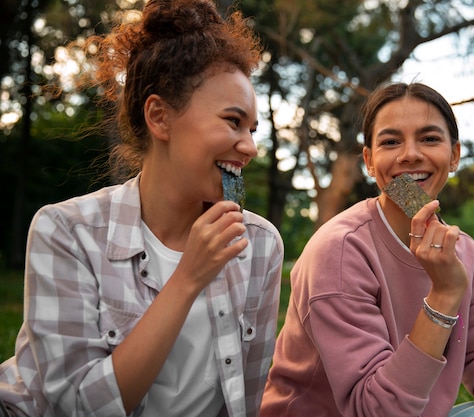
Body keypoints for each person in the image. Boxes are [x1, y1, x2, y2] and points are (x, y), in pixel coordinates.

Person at [0, 0, 284, 416]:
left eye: (252, 129)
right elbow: (76, 408)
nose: (250, 146)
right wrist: (189, 277)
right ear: (159, 117)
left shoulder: (258, 245)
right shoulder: (66, 231)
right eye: (232, 122)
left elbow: (243, 402)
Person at [260, 82, 474, 417]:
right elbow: (376, 410)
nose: (410, 154)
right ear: (370, 161)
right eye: (391, 141)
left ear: (454, 156)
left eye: (429, 138)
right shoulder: (340, 249)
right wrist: (444, 295)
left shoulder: (462, 249)